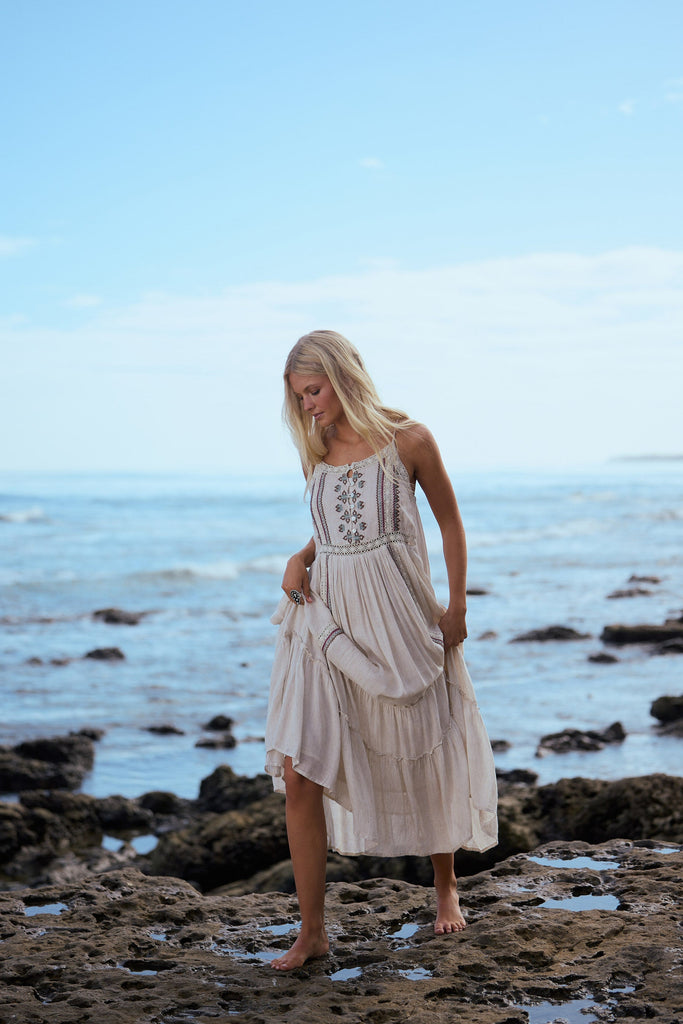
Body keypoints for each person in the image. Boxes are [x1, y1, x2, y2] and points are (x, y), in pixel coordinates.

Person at [265, 330, 498, 971]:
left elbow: (449, 520)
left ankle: (445, 883)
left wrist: (457, 607)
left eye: (314, 391)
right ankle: (312, 933)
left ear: (343, 376)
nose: (309, 406)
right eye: (300, 397)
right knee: (298, 771)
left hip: (398, 614)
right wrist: (300, 555)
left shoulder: (411, 439)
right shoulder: (317, 447)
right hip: (326, 616)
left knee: (424, 743)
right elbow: (330, 532)